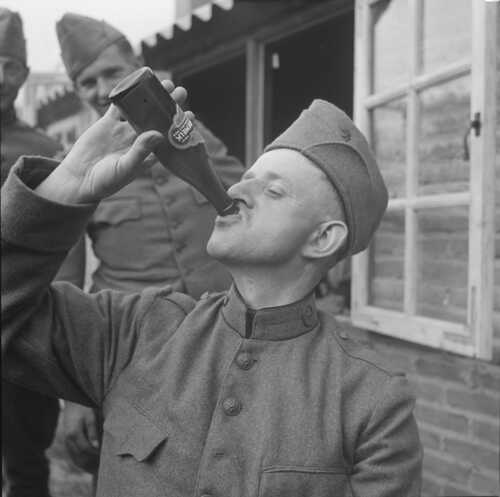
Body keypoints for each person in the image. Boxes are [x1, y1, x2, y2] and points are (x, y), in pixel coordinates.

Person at [1, 81, 423, 496]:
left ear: (323, 239)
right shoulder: (134, 329)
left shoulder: (372, 400)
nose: (237, 189)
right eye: (247, 177)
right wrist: (68, 182)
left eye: (274, 189)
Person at [54, 12, 244, 473]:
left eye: (112, 73)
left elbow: (247, 213)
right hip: (137, 357)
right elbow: (65, 289)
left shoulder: (196, 136)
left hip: (226, 347)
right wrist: (75, 392)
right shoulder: (76, 169)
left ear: (138, 66)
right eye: (86, 83)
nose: (101, 90)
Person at [0, 8, 85, 497]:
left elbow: (65, 245)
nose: (0, 76)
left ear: (24, 75)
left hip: (23, 331)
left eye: (10, 64)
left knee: (26, 465)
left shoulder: (45, 149)